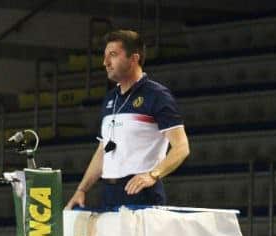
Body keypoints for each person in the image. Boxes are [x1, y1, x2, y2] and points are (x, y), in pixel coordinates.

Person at [65, 29, 189, 211]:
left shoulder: (157, 95)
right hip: (108, 191)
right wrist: (82, 190)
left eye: (113, 55)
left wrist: (153, 175)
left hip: (141, 192)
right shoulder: (110, 98)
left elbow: (182, 147)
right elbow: (102, 150)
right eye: (105, 56)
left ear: (134, 58)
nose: (105, 62)